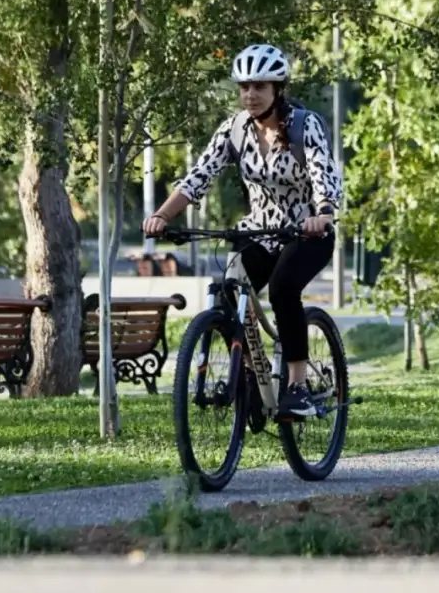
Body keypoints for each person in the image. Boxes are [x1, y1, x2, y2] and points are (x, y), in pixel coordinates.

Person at [142, 43, 342, 417]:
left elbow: (323, 177)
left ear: (277, 89)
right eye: (244, 87)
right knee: (228, 290)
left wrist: (323, 214)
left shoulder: (304, 124)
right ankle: (248, 376)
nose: (250, 95)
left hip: (306, 232)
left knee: (284, 290)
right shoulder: (234, 129)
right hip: (259, 232)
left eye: (260, 87)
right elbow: (197, 177)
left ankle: (297, 387)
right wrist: (162, 216)